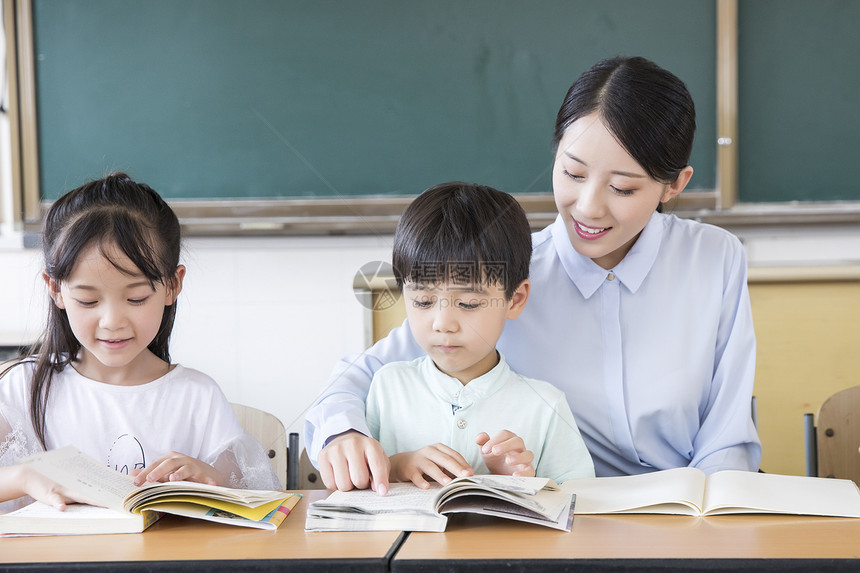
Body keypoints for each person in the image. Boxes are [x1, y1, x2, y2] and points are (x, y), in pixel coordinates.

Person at [305, 55, 761, 493]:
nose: (588, 207)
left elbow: (727, 435)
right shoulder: (501, 273)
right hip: (554, 515)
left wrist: (709, 516)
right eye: (572, 173)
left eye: (622, 187)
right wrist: (340, 434)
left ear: (675, 184)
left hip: (680, 515)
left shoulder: (714, 258)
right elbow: (356, 380)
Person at [0, 173, 281, 513]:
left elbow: (252, 498)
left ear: (172, 287)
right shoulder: (20, 388)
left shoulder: (196, 396)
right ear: (56, 289)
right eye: (88, 301)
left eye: (136, 298)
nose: (113, 322)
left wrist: (208, 480)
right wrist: (24, 477)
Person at [364, 182, 594, 493]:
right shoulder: (387, 386)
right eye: (422, 302)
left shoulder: (545, 406)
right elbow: (350, 484)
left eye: (468, 303)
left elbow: (580, 503)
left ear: (514, 299)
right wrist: (397, 466)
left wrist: (520, 482)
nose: (443, 323)